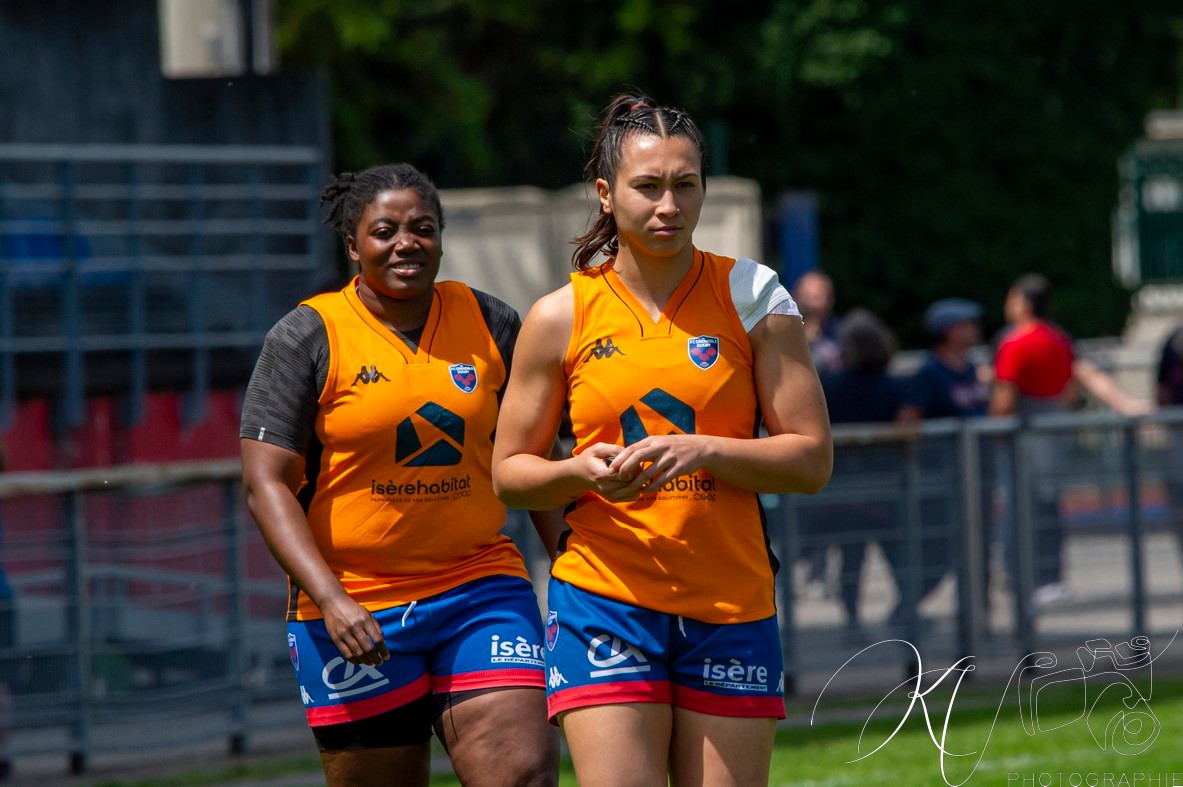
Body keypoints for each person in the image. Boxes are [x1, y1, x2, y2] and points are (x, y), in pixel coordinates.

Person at [490, 94, 833, 786]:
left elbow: (811, 459)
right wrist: (581, 471)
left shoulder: (756, 296)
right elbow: (509, 473)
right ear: (605, 193)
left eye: (685, 184)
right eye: (648, 186)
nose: (668, 205)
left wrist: (707, 448)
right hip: (603, 597)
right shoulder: (559, 316)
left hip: (730, 603)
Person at [239, 163, 560, 787]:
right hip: (355, 606)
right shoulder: (307, 336)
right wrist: (332, 601)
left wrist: (575, 581)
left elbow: (535, 458)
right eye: (385, 230)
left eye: (423, 228)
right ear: (353, 244)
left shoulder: (491, 322)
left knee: (522, 773)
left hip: (481, 589)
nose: (406, 242)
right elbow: (266, 484)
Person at [817, 308, 904, 633]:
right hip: (887, 484)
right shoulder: (893, 386)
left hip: (843, 487)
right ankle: (904, 613)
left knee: (851, 558)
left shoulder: (831, 385)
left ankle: (852, 620)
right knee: (897, 555)